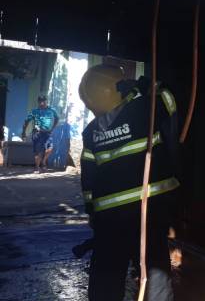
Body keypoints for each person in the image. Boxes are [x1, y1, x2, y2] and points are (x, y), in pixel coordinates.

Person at [79, 64, 179, 301]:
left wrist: (92, 211)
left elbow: (88, 179)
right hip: (147, 210)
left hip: (108, 218)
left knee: (106, 275)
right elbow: (170, 101)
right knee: (155, 271)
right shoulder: (144, 108)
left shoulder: (91, 132)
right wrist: (149, 86)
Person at [22, 95, 59, 173]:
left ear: (46, 101)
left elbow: (57, 118)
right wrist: (23, 132)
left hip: (48, 133)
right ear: (38, 102)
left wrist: (53, 128)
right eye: (40, 102)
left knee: (50, 149)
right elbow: (26, 121)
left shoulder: (52, 110)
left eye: (43, 101)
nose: (42, 103)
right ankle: (37, 167)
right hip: (37, 133)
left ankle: (43, 161)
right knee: (38, 151)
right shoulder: (34, 111)